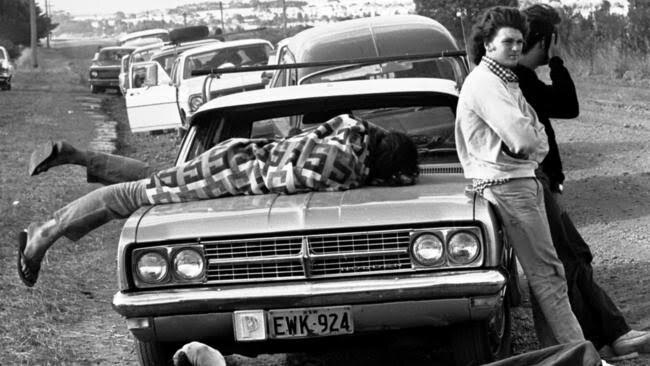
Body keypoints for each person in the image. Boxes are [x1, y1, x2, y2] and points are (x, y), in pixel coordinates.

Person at [17, 114, 419, 288]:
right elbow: (283, 182)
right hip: (234, 174)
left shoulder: (356, 131)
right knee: (136, 195)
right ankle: (42, 234)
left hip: (239, 151)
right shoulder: (343, 166)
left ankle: (77, 155)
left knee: (158, 178)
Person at [516, 4, 650, 358]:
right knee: (569, 261)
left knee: (574, 259)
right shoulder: (520, 79)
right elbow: (568, 104)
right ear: (543, 39)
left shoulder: (520, 78)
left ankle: (610, 335)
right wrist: (558, 61)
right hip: (533, 182)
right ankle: (602, 339)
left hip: (538, 181)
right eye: (552, 40)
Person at [455, 6, 586, 346]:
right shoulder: (486, 83)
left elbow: (537, 137)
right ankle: (580, 356)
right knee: (549, 275)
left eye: (519, 41)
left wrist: (530, 139)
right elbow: (525, 138)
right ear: (488, 45)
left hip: (517, 182)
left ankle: (563, 353)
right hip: (507, 185)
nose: (515, 48)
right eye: (508, 41)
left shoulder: (504, 80)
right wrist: (528, 139)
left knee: (549, 276)